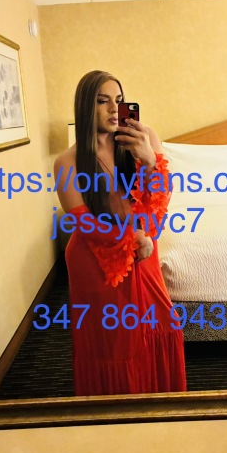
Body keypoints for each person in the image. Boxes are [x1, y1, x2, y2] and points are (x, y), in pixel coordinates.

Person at [54, 70, 187, 396]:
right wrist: (132, 240)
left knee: (162, 325)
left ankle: (159, 406)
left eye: (119, 100)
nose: (114, 109)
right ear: (85, 107)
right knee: (113, 345)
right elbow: (83, 222)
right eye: (103, 101)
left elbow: (160, 205)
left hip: (143, 250)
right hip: (96, 259)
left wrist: (150, 162)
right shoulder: (68, 161)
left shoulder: (145, 138)